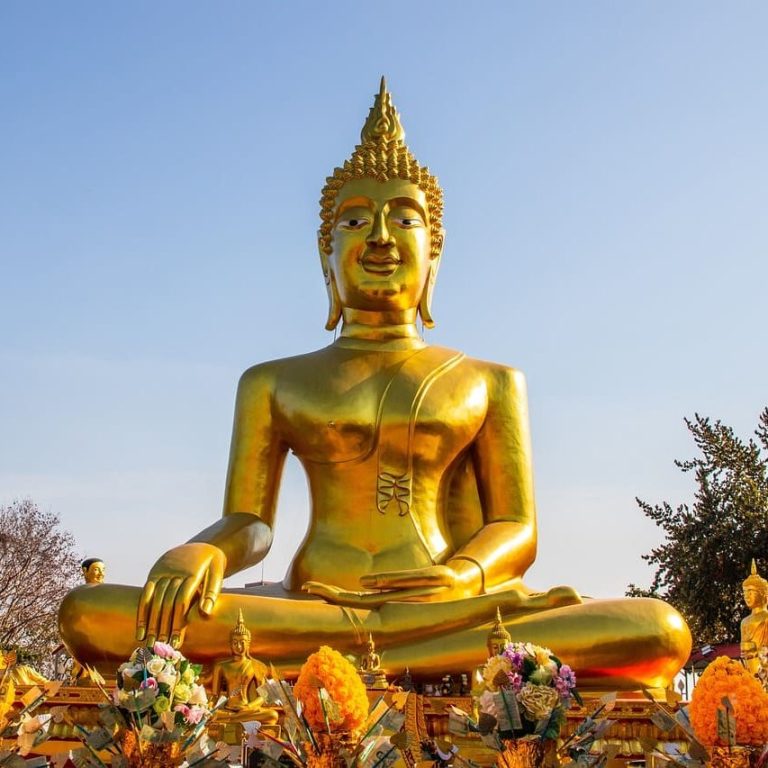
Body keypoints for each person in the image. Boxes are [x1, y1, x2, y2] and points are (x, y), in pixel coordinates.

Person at [59, 79, 691, 689]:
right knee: (89, 613)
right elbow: (251, 522)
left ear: (433, 252)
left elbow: (517, 529)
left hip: (449, 604)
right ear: (324, 255)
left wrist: (465, 575)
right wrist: (200, 552)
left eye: (404, 220)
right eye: (356, 221)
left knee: (656, 628)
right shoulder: (274, 381)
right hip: (310, 607)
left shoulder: (490, 381)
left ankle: (361, 664)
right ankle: (413, 662)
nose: (381, 237)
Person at [211, 611, 277, 723]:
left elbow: (263, 696)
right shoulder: (221, 666)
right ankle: (233, 718)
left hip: (246, 709)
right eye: (235, 643)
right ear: (230, 644)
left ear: (248, 643)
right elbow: (214, 696)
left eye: (242, 642)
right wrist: (209, 709)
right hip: (227, 709)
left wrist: (249, 707)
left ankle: (232, 719)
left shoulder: (256, 665)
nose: (238, 646)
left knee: (272, 715)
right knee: (209, 716)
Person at [740, 560, 768, 676]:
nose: (747, 596)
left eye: (751, 592)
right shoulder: (744, 622)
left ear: (762, 593)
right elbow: (743, 652)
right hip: (749, 669)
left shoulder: (766, 618)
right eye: (745, 592)